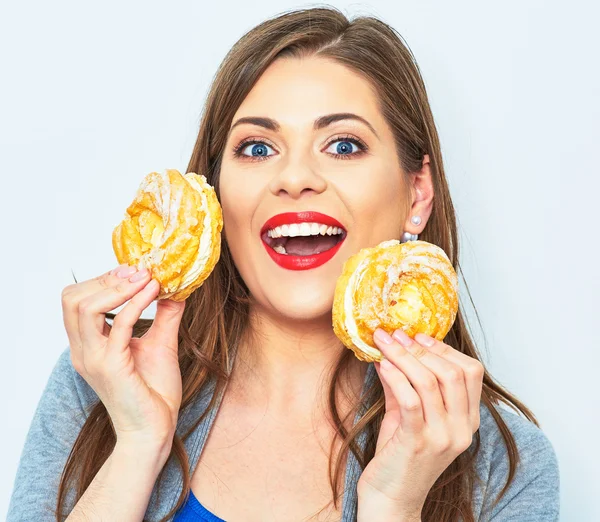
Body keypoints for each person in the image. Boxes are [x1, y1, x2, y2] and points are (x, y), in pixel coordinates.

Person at [7, 6, 559, 522]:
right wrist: (137, 442)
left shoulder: (500, 463)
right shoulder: (103, 383)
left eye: (343, 146)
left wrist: (394, 502)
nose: (295, 178)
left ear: (417, 194)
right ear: (217, 194)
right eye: (257, 148)